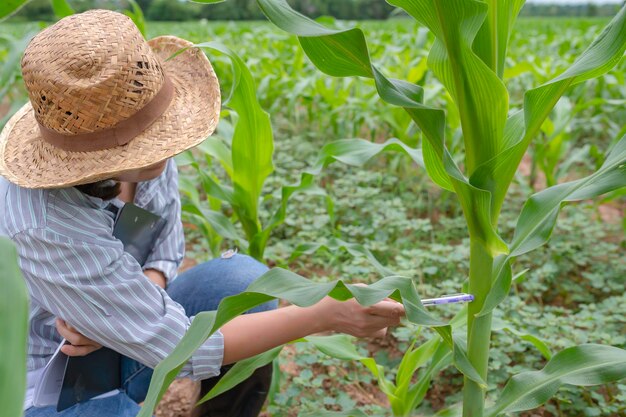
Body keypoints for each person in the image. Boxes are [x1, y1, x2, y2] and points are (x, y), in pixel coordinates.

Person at [0, 9, 405, 417]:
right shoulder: (48, 221)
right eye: (138, 148)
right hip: (42, 375)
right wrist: (324, 314)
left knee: (244, 283)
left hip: (116, 341)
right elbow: (184, 349)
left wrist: (126, 305)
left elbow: (164, 248)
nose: (160, 152)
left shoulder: (145, 143)